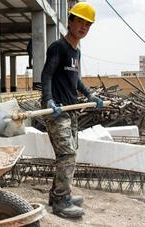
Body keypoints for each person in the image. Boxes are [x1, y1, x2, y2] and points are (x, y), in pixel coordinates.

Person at [41, 2, 103, 219]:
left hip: (71, 110)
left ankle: (57, 194)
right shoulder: (58, 47)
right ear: (70, 21)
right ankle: (61, 200)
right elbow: (47, 75)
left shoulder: (76, 51)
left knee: (67, 154)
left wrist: (90, 95)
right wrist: (48, 100)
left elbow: (76, 80)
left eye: (88, 25)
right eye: (80, 22)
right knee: (68, 154)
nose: (83, 27)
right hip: (56, 110)